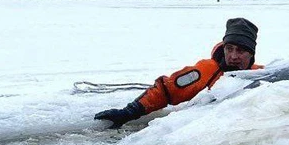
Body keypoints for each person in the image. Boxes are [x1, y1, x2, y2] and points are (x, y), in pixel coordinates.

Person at [94, 17, 262, 128]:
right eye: (229, 49)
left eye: (240, 51)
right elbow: (166, 91)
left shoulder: (261, 76)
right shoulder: (205, 71)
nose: (233, 56)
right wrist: (128, 113)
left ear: (251, 53)